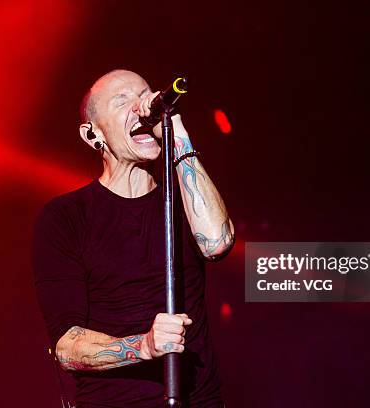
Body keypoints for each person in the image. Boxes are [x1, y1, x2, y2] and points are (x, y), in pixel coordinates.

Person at [32, 69, 235, 407]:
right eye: (121, 100)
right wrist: (145, 346)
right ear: (92, 134)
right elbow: (68, 347)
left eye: (144, 95)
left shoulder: (183, 199)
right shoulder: (65, 217)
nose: (140, 107)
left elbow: (216, 243)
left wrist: (177, 134)